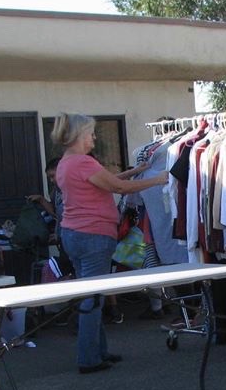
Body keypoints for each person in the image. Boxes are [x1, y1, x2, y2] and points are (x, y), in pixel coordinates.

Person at [51, 113, 168, 373]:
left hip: (74, 235)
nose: (94, 137)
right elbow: (119, 188)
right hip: (93, 237)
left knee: (92, 295)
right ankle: (88, 359)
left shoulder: (66, 163)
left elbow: (107, 182)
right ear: (79, 135)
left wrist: (137, 171)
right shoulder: (83, 163)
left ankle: (97, 351)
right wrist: (158, 179)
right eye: (91, 133)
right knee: (93, 299)